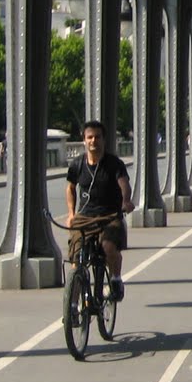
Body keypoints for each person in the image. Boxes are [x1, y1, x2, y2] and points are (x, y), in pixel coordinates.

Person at [66, 119, 134, 301]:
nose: (93, 141)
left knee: (108, 246)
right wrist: (71, 213)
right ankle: (72, 303)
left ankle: (115, 279)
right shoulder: (77, 164)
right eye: (90, 137)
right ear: (84, 140)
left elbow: (124, 185)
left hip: (109, 216)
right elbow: (70, 188)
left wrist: (126, 201)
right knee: (77, 257)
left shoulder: (114, 164)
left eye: (97, 137)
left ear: (104, 139)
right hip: (85, 216)